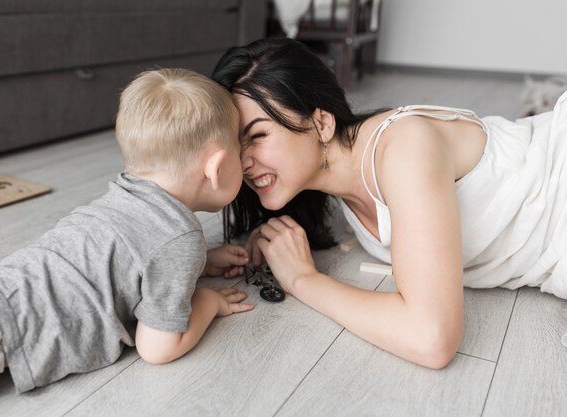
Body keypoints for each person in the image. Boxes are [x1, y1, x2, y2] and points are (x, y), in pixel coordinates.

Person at [211, 37, 567, 369]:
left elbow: (431, 337)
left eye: (257, 135)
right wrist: (274, 236)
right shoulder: (334, 184)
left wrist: (304, 280)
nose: (243, 163)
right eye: (237, 145)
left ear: (321, 122)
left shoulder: (404, 146)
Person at [0, 68, 255, 414]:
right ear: (217, 167)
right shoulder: (180, 238)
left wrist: (203, 262)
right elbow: (156, 348)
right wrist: (208, 301)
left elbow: (130, 256)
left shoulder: (122, 194)